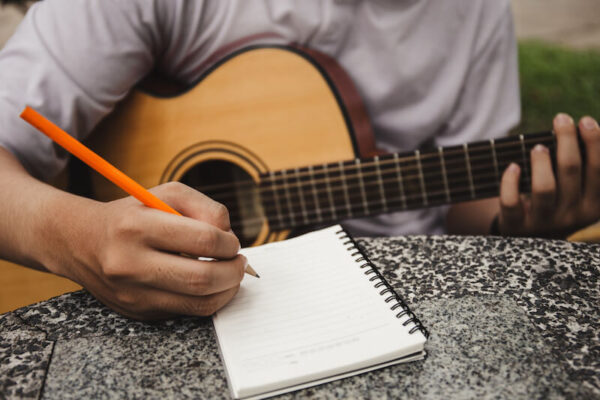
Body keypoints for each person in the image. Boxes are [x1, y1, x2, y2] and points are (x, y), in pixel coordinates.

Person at [0, 0, 598, 320]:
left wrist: (518, 223)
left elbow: (464, 206)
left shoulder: (478, 12)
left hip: (405, 297)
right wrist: (76, 234)